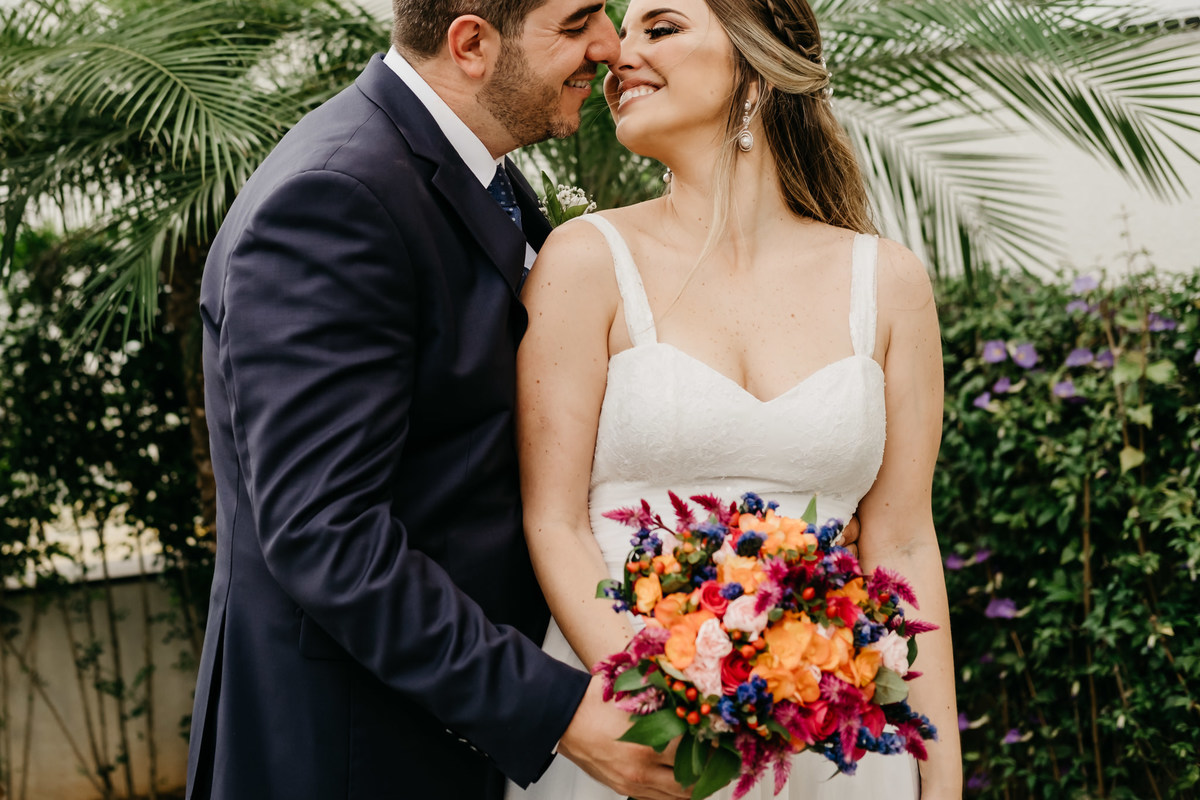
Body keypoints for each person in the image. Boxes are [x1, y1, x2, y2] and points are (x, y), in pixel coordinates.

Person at [187, 1, 694, 798]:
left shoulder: (470, 173)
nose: (608, 45)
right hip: (349, 751)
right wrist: (555, 712)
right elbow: (328, 536)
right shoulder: (335, 198)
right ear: (471, 44)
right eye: (577, 22)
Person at [509, 0, 963, 797]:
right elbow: (554, 520)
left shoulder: (886, 281)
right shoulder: (584, 261)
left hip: (832, 739)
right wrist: (662, 708)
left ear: (754, 68)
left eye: (661, 27)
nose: (618, 55)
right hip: (633, 734)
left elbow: (904, 544)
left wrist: (943, 780)